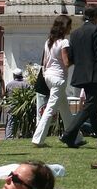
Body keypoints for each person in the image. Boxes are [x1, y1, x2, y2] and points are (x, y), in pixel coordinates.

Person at [60, 4, 97, 149]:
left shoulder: (75, 33)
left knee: (93, 109)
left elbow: (72, 56)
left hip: (81, 73)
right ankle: (68, 134)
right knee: (90, 105)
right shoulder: (96, 30)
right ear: (95, 16)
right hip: (94, 74)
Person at [31, 15, 73, 148]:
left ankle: (75, 137)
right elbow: (66, 62)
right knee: (50, 110)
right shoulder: (63, 43)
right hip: (59, 78)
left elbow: (44, 62)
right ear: (64, 27)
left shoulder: (48, 42)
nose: (71, 28)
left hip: (48, 76)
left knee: (65, 109)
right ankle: (38, 139)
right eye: (69, 26)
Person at [3, 69, 28, 139]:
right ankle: (22, 134)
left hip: (12, 106)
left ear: (14, 75)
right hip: (23, 106)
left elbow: (7, 95)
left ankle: (8, 136)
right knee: (23, 121)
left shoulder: (9, 84)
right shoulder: (26, 84)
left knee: (11, 122)